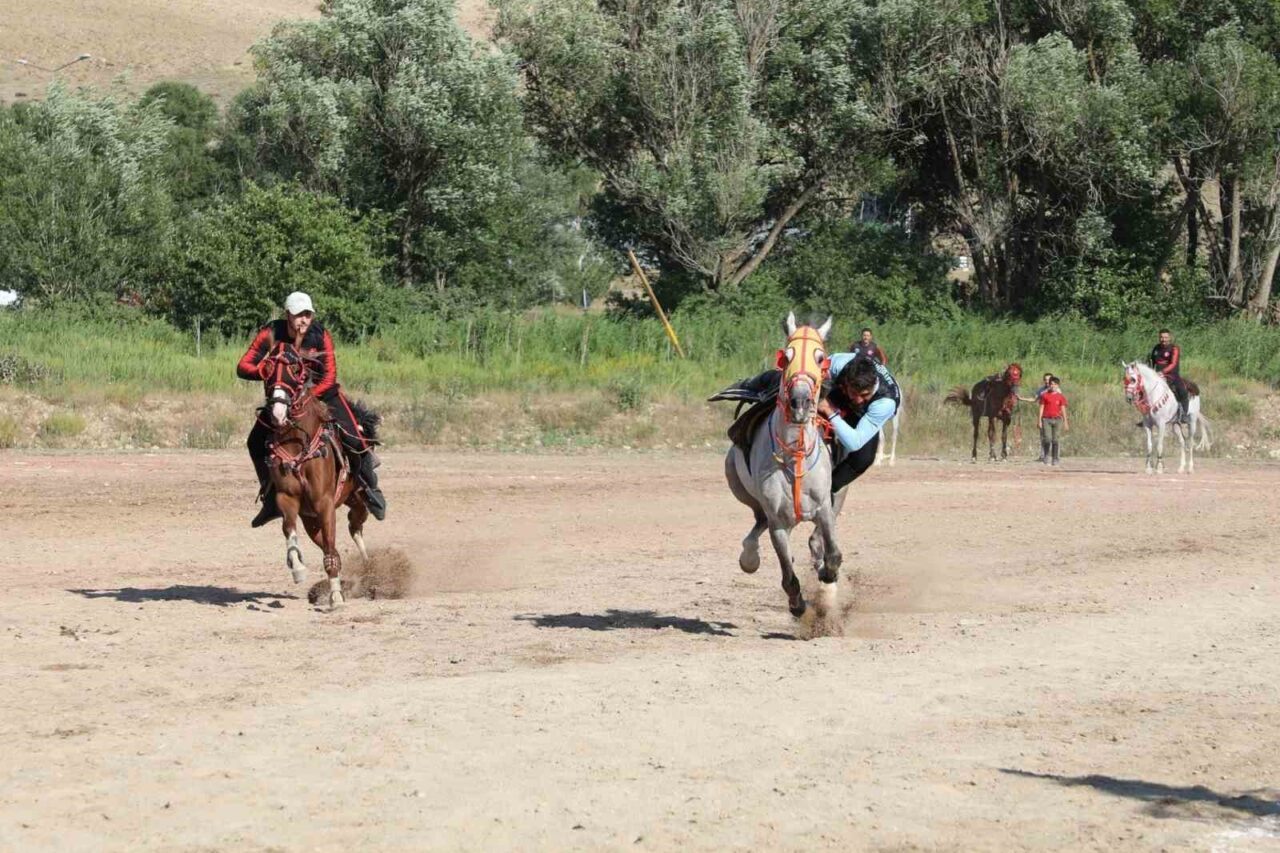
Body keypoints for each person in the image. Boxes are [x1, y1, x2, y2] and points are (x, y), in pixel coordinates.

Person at [236, 292, 386, 527]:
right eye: (298, 315)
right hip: (283, 398)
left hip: (323, 394)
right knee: (255, 441)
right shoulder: (270, 333)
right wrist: (265, 370)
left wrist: (307, 398)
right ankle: (270, 500)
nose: (304, 320)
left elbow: (329, 377)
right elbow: (243, 366)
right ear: (287, 315)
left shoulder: (321, 335)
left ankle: (369, 488)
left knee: (356, 438)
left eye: (308, 315)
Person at [816, 355, 901, 496]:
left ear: (874, 385)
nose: (858, 399)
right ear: (847, 381)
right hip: (838, 392)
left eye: (864, 394)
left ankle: (827, 490)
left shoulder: (885, 402)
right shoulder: (840, 363)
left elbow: (854, 443)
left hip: (865, 413)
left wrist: (828, 411)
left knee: (864, 458)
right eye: (854, 393)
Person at [1149, 328, 1188, 423]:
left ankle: (1184, 415)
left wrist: (1162, 372)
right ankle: (1147, 416)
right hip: (1156, 376)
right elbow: (1152, 362)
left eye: (1166, 337)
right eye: (1161, 337)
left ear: (1170, 337)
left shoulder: (1174, 348)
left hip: (1172, 375)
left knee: (1182, 390)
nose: (1163, 339)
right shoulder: (1156, 348)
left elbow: (1173, 364)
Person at [1038, 375, 1069, 467]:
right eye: (1051, 384)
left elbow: (1063, 409)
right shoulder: (1044, 396)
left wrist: (1066, 422)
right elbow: (1041, 408)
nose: (1053, 386)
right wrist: (1039, 420)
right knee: (1047, 439)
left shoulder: (1060, 397)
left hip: (1057, 420)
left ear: (1058, 386)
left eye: (1055, 384)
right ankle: (1046, 456)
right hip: (1046, 419)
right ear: (1049, 385)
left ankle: (1055, 458)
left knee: (1055, 440)